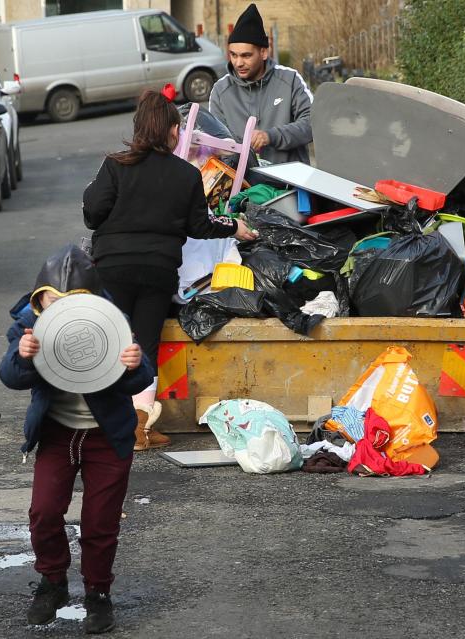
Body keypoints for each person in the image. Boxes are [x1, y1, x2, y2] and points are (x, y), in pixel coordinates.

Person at [82, 87, 257, 450]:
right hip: (157, 271)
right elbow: (200, 226)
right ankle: (140, 427)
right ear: (173, 131)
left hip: (113, 266)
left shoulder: (115, 166)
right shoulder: (185, 175)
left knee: (112, 341)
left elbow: (91, 215)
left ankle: (111, 423)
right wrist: (234, 227)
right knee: (145, 345)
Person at [0, 245, 152, 633]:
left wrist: (133, 363)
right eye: (53, 301)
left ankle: (98, 593)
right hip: (56, 434)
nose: (62, 309)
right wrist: (23, 356)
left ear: (93, 299)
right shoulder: (28, 325)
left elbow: (141, 375)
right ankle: (53, 583)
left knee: (100, 522)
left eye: (74, 301)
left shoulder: (111, 320)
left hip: (107, 436)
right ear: (39, 298)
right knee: (44, 512)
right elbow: (11, 378)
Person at [208, 3, 314, 165]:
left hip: (291, 183)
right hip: (245, 185)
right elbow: (216, 141)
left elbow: (313, 123)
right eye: (233, 55)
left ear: (264, 52)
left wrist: (271, 136)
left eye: (246, 55)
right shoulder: (220, 91)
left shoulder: (290, 80)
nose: (238, 63)